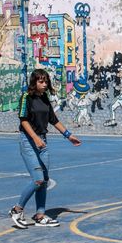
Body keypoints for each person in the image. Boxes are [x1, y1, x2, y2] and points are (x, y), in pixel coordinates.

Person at [9, 69, 81, 229]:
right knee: (38, 179)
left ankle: (40, 215)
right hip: (28, 141)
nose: (44, 84)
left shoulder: (45, 98)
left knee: (44, 181)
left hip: (42, 141)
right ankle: (16, 209)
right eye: (41, 81)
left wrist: (68, 135)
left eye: (46, 81)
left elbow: (53, 119)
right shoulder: (26, 97)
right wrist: (35, 138)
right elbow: (23, 120)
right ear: (34, 82)